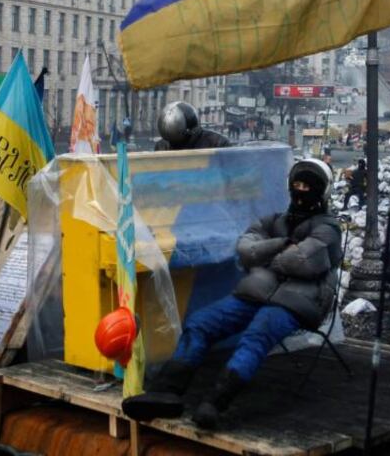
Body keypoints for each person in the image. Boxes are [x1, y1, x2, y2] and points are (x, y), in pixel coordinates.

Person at [121, 159, 341, 429]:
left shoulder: (328, 228)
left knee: (256, 335)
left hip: (298, 302)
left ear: (322, 191)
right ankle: (166, 391)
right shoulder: (275, 221)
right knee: (200, 323)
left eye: (308, 186)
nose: (301, 190)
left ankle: (214, 402)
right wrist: (281, 244)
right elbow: (245, 249)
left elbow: (304, 262)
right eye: (297, 184)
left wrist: (265, 255)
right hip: (256, 294)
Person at [154, 101, 231, 151]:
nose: (174, 144)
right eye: (171, 140)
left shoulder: (218, 144)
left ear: (192, 131)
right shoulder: (161, 146)